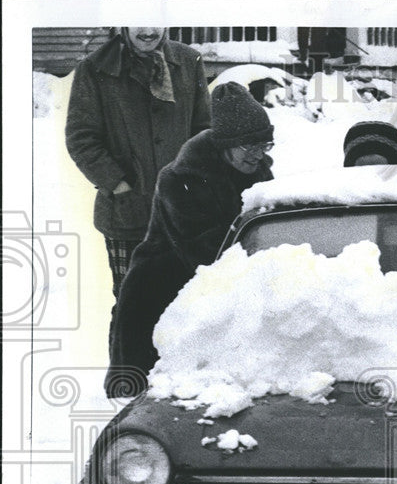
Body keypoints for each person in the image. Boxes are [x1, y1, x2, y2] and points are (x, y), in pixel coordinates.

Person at [104, 82, 274, 398]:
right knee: (152, 391)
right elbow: (202, 250)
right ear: (226, 143)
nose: (259, 153)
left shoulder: (258, 171)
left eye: (265, 144)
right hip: (163, 283)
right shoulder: (181, 179)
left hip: (222, 277)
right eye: (250, 145)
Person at [65, 27, 211, 341]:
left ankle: (174, 383)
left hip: (180, 215)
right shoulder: (96, 68)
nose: (147, 31)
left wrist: (195, 185)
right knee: (132, 305)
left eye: (154, 21)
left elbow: (204, 130)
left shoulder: (188, 61)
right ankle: (126, 382)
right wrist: (118, 184)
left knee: (183, 305)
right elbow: (81, 138)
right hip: (127, 213)